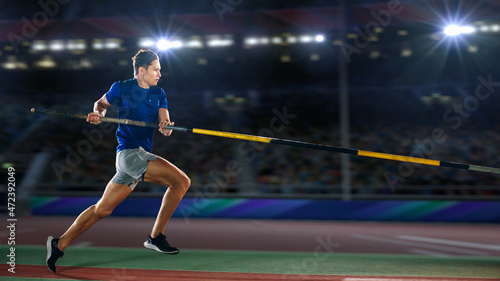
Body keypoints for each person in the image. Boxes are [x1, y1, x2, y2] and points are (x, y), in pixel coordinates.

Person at [46, 49, 191, 273]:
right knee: (181, 182)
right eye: (156, 69)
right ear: (141, 71)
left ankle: (59, 243)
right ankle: (155, 237)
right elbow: (100, 104)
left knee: (101, 210)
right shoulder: (121, 88)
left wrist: (167, 126)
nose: (159, 73)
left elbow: (165, 126)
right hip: (129, 154)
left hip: (136, 159)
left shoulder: (159, 93)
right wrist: (99, 114)